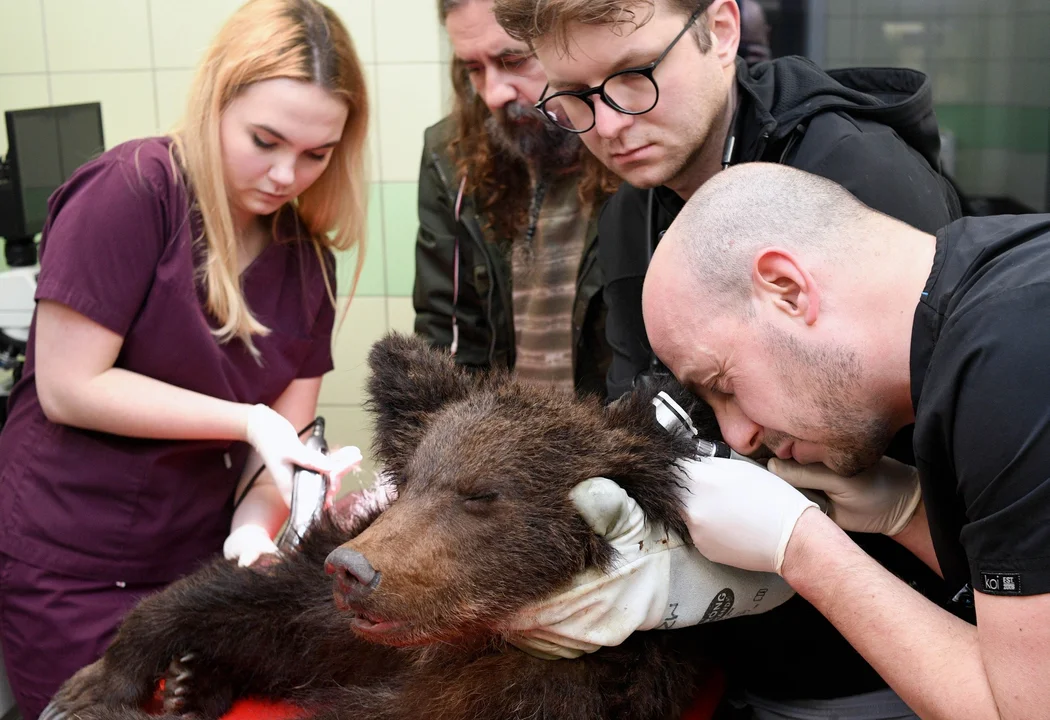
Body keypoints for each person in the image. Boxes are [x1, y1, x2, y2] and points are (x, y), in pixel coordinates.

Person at [493, 0, 959, 715]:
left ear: (720, 30)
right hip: (739, 651)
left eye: (633, 75)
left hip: (900, 654)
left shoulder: (858, 177)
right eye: (576, 99)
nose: (611, 124)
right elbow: (641, 419)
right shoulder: (630, 210)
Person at [0, 0, 367, 715]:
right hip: (71, 561)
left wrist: (252, 530)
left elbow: (274, 460)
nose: (287, 173)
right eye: (264, 139)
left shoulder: (308, 263)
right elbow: (70, 387)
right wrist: (247, 418)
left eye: (316, 154)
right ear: (216, 99)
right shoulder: (133, 190)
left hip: (194, 571)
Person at [636, 162, 1050, 719]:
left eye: (723, 385)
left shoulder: (1011, 363)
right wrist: (909, 514)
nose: (739, 434)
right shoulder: (1002, 284)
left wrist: (801, 548)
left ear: (786, 289)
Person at [413, 0, 620, 396]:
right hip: (500, 445)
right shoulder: (451, 157)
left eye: (514, 60)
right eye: (473, 69)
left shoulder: (631, 143)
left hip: (617, 440)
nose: (493, 94)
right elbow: (448, 342)